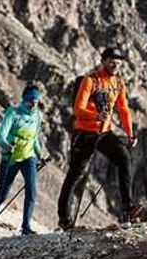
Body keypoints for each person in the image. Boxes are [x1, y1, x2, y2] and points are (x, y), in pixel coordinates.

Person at [58, 46, 140, 229]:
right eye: (112, 61)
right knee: (76, 173)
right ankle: (64, 218)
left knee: (124, 158)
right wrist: (96, 116)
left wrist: (130, 133)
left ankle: (128, 209)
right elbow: (78, 109)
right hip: (85, 133)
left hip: (104, 132)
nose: (115, 65)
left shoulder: (118, 83)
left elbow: (124, 109)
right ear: (103, 61)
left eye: (118, 63)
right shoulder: (90, 81)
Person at [0, 83, 45, 241]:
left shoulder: (37, 116)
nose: (34, 105)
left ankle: (26, 227)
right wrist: (6, 146)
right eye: (31, 101)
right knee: (3, 193)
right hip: (10, 158)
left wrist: (40, 154)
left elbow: (35, 138)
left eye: (36, 102)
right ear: (24, 99)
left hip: (28, 156)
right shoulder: (13, 113)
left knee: (31, 190)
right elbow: (1, 136)